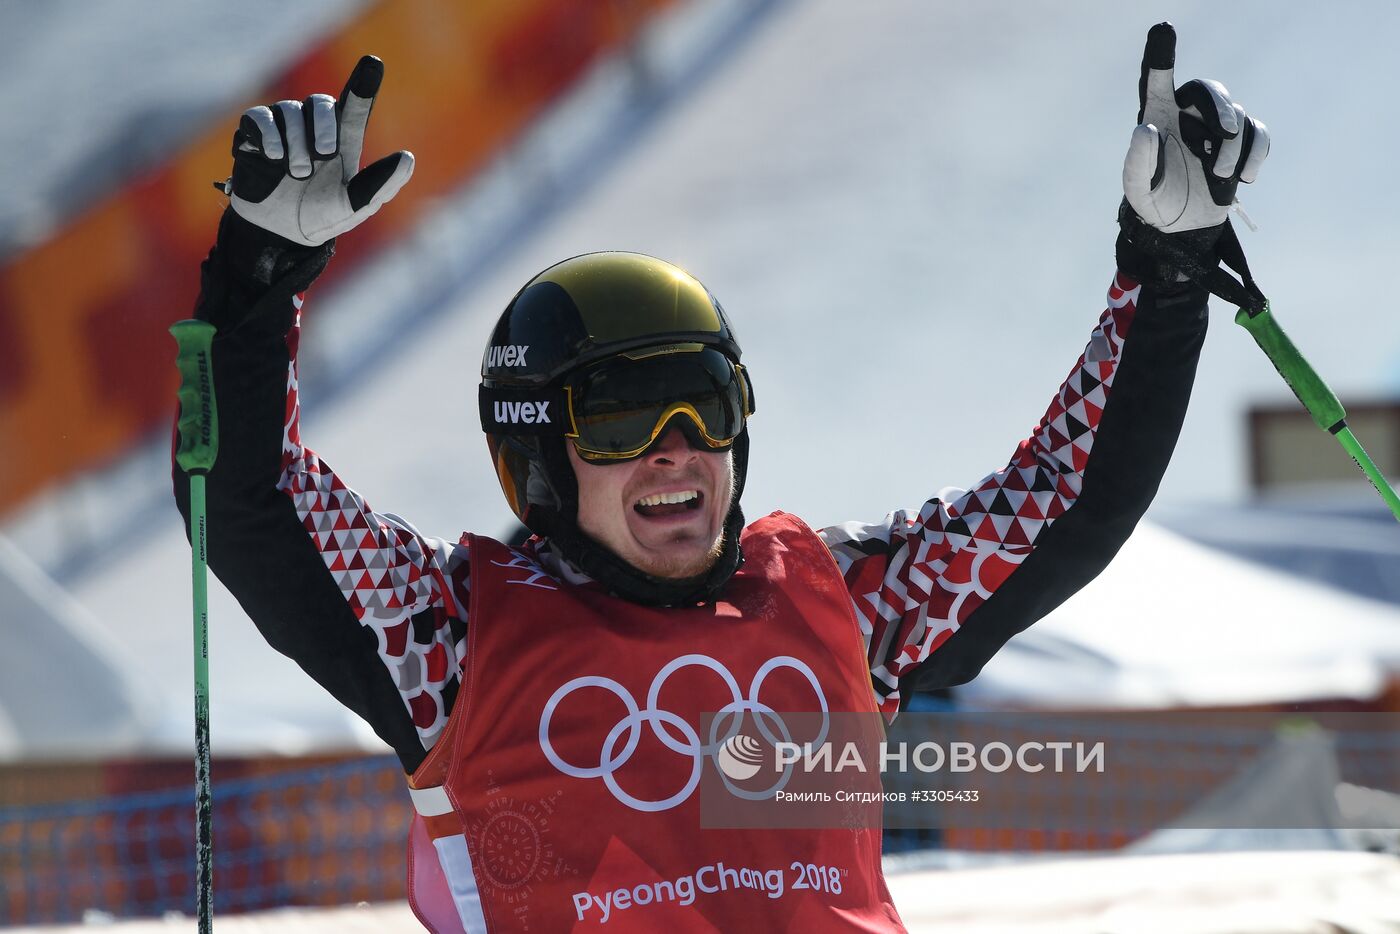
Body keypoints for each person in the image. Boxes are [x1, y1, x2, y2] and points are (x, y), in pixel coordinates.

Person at [175, 23, 1268, 932]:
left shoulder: (842, 601)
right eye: (619, 417)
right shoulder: (452, 640)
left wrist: (1165, 267)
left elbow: (1065, 500)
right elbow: (247, 499)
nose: (676, 446)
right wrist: (258, 277)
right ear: (537, 461)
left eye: (706, 403)